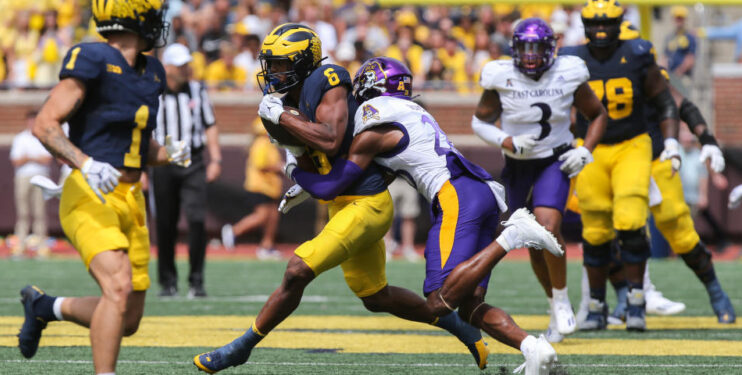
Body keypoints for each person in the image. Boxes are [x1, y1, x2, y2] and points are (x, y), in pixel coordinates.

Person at [194, 24, 555, 374]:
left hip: (407, 199)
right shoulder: (404, 113)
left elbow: (332, 161)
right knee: (394, 298)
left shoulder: (356, 101)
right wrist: (296, 149)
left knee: (300, 271)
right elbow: (348, 160)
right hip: (469, 189)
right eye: (270, 64)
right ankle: (528, 347)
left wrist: (293, 163)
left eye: (281, 64)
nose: (273, 72)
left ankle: (241, 348)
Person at [285, 56, 565, 375]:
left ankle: (513, 235)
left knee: (438, 301)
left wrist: (297, 172)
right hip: (481, 191)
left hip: (457, 195)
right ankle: (535, 350)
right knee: (470, 305)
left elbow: (333, 184)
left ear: (371, 85)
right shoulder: (411, 112)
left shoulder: (371, 120)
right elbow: (383, 173)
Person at [16, 1, 191, 374]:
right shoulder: (92, 57)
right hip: (89, 192)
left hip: (132, 198)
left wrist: (169, 152)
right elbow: (45, 125)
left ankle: (45, 307)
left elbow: (139, 150)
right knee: (117, 287)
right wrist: (85, 163)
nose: (159, 20)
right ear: (133, 14)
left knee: (127, 318)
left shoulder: (152, 72)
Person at [472, 18, 607, 343]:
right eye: (524, 48)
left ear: (551, 49)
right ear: (514, 49)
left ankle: (562, 301)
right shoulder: (500, 75)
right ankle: (553, 304)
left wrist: (586, 150)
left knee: (547, 226)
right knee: (530, 239)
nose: (530, 55)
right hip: (518, 164)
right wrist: (506, 140)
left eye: (536, 48)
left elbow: (598, 114)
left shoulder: (569, 71)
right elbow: (479, 122)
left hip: (553, 159)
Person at [559, 0, 681, 332]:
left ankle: (637, 299)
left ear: (618, 24)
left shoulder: (638, 53)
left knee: (630, 220)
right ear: (584, 27)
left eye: (606, 25)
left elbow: (664, 99)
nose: (600, 32)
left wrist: (670, 142)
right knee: (595, 230)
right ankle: (597, 305)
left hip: (631, 144)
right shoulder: (571, 59)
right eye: (594, 26)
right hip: (591, 149)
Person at [151, 42, 222, 298]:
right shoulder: (153, 91)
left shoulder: (197, 90)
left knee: (196, 220)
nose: (185, 69)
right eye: (180, 65)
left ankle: (196, 281)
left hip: (193, 161)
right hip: (162, 161)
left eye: (186, 65)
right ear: (167, 67)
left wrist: (215, 159)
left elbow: (210, 124)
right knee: (165, 224)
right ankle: (168, 282)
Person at [221, 118, 283, 260]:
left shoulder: (268, 144)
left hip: (271, 187)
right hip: (260, 186)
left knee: (273, 217)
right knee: (262, 216)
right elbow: (261, 165)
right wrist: (280, 167)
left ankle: (267, 246)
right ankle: (234, 231)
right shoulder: (261, 143)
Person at [10, 110, 53, 258]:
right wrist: (34, 158)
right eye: (31, 120)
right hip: (23, 177)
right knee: (23, 212)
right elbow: (16, 161)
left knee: (40, 212)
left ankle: (41, 247)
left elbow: (47, 159)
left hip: (41, 177)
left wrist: (27, 158)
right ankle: (20, 246)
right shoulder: (20, 138)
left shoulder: (45, 137)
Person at [384, 173, 421, 262]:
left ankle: (408, 248)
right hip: (390, 178)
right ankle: (387, 248)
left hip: (408, 178)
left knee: (409, 216)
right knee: (387, 216)